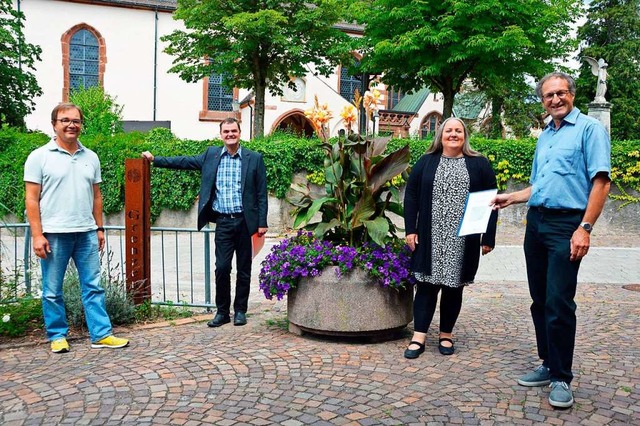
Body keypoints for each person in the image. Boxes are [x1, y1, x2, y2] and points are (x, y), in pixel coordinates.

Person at [492, 72, 611, 408]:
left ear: (572, 94)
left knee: (559, 302)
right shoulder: (545, 135)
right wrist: (512, 197)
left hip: (566, 225)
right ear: (542, 101)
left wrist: (584, 228)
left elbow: (601, 183)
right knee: (539, 299)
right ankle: (546, 363)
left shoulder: (590, 130)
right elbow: (540, 185)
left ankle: (561, 376)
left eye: (561, 93)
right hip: (537, 223)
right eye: (549, 96)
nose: (555, 100)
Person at [24, 103, 130, 353]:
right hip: (54, 233)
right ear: (54, 124)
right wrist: (37, 235)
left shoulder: (90, 157)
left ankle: (101, 334)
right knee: (52, 290)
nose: (71, 125)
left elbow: (96, 196)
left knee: (93, 286)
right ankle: (58, 335)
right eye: (65, 120)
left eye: (76, 121)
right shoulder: (39, 156)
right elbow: (31, 198)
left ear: (81, 124)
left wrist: (99, 228)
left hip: (86, 233)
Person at [142, 118, 268, 327]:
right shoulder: (210, 155)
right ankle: (222, 312)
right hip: (223, 223)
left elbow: (261, 193)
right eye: (226, 131)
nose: (230, 134)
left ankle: (240, 311)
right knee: (222, 268)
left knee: (244, 268)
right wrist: (156, 159)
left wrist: (262, 222)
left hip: (246, 222)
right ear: (221, 135)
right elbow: (184, 162)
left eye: (233, 131)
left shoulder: (253, 158)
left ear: (240, 132)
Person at [403, 117, 498, 359]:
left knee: (454, 287)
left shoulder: (479, 164)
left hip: (462, 237)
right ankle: (419, 337)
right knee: (426, 286)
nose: (453, 134)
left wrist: (488, 236)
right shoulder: (426, 162)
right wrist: (410, 230)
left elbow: (491, 200)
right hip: (429, 235)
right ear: (441, 135)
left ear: (465, 135)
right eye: (449, 130)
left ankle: (446, 334)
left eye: (458, 130)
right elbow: (411, 195)